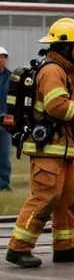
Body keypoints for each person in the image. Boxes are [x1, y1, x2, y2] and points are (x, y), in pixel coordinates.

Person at [6, 20, 74, 268]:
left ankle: (65, 247)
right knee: (45, 198)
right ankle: (18, 248)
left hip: (65, 150)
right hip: (47, 150)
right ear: (66, 46)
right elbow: (57, 106)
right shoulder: (52, 71)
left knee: (70, 197)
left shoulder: (67, 72)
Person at [0, 47, 11, 192]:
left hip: (5, 121)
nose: (1, 60)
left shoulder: (11, 77)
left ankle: (4, 184)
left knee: (4, 155)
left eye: (3, 57)